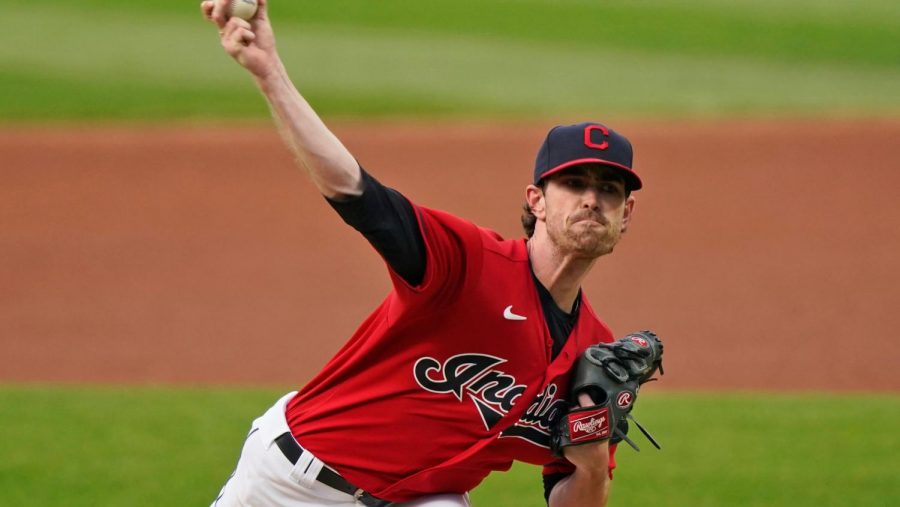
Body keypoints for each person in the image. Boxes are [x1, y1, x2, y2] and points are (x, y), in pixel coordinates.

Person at [201, 1, 643, 506]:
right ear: (536, 201)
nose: (591, 199)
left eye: (609, 189)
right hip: (291, 481)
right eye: (574, 183)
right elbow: (355, 191)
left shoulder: (595, 353)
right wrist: (269, 73)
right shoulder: (466, 261)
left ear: (625, 214)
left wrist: (591, 462)